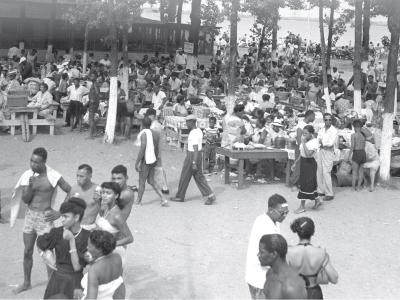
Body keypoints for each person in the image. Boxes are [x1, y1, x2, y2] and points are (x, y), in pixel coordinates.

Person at [13, 147, 71, 294]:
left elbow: (70, 190)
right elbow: (26, 200)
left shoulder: (53, 176)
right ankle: (26, 282)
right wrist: (30, 186)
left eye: (36, 162)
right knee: (27, 251)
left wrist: (60, 212)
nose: (33, 164)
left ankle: (51, 286)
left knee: (47, 253)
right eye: (31, 161)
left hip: (45, 218)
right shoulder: (28, 175)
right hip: (30, 217)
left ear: (44, 162)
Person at [37, 198, 90, 299]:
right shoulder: (57, 232)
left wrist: (71, 240)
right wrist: (49, 259)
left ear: (77, 217)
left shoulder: (87, 237)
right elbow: (40, 243)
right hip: (56, 280)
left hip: (75, 283)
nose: (62, 220)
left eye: (65, 216)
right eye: (62, 216)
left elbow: (77, 267)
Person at [245, 194, 289, 299]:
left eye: (287, 212)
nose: (285, 216)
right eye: (282, 213)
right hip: (260, 280)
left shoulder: (271, 221)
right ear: (271, 210)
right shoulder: (265, 228)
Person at [287, 217, 338, 299]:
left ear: (297, 232)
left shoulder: (288, 252)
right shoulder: (321, 253)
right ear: (313, 232)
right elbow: (334, 279)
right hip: (314, 294)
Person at [171, 115, 216, 205]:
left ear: (192, 122)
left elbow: (195, 148)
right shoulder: (199, 131)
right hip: (198, 154)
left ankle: (180, 196)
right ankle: (210, 195)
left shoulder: (193, 133)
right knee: (199, 177)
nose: (186, 124)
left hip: (192, 156)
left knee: (185, 176)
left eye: (187, 122)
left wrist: (194, 162)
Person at [259, 234, 307, 299]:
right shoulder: (270, 273)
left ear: (274, 254)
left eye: (262, 252)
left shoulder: (291, 287)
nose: (258, 255)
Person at [80, 230, 125, 299]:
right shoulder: (117, 257)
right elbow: (118, 282)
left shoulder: (94, 270)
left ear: (99, 249)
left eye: (89, 245)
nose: (87, 247)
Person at [96, 182, 134, 265]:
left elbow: (130, 238)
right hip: (104, 252)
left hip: (114, 254)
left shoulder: (117, 216)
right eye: (103, 192)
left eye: (108, 193)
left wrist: (110, 245)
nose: (104, 195)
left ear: (116, 196)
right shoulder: (106, 208)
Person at [135, 117, 168, 206]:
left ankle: (138, 201)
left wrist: (137, 162)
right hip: (153, 159)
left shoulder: (143, 134)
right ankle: (163, 198)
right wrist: (156, 158)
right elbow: (156, 148)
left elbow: (142, 149)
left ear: (142, 125)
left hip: (146, 160)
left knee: (142, 181)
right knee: (151, 181)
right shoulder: (156, 133)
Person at [66, 164, 101, 231]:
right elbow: (66, 206)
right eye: (77, 176)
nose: (78, 179)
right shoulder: (74, 188)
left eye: (82, 176)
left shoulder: (97, 190)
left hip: (89, 228)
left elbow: (105, 209)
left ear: (90, 176)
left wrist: (99, 225)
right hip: (73, 226)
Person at [294, 125, 321, 214]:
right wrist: (296, 163)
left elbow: (309, 154)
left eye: (305, 133)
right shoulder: (305, 141)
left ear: (311, 134)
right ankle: (317, 200)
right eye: (303, 133)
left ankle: (302, 206)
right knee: (308, 183)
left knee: (306, 184)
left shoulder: (314, 142)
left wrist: (304, 143)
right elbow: (302, 153)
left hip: (310, 164)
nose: (303, 135)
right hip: (303, 163)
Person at [316, 113, 338, 201]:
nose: (328, 121)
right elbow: (318, 139)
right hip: (321, 151)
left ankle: (329, 193)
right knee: (319, 171)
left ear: (331, 120)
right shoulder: (322, 129)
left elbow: (331, 143)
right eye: (326, 119)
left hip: (328, 152)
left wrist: (323, 144)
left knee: (326, 171)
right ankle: (321, 190)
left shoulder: (334, 131)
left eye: (329, 119)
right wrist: (322, 144)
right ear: (324, 120)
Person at [350, 119, 367, 191]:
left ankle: (353, 188)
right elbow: (364, 145)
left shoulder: (353, 135)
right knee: (361, 172)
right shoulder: (363, 136)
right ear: (360, 127)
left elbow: (352, 146)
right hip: (363, 153)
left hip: (356, 153)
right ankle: (358, 187)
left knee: (354, 172)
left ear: (354, 127)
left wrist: (348, 155)